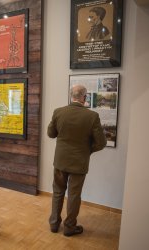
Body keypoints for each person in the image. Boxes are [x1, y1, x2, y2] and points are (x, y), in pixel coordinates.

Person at [47, 85, 107, 237]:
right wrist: (87, 150)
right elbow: (101, 143)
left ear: (71, 96)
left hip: (60, 161)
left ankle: (54, 224)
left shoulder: (58, 112)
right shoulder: (92, 116)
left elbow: (50, 133)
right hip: (79, 163)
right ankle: (69, 227)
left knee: (57, 192)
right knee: (74, 196)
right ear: (85, 98)